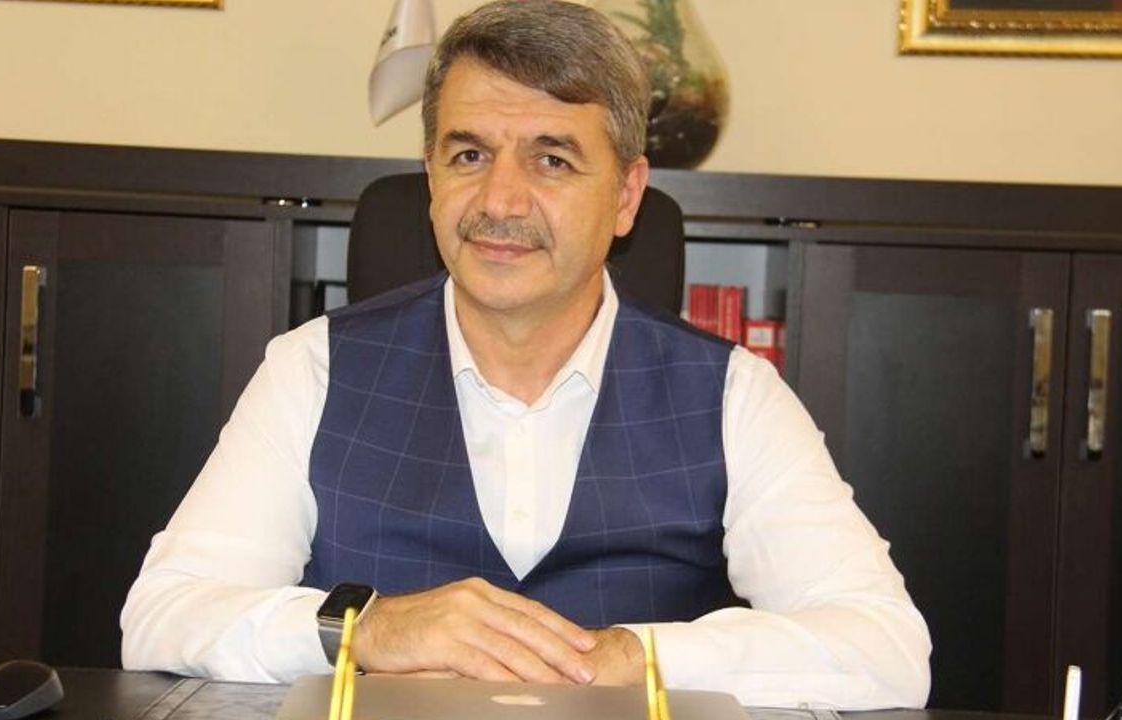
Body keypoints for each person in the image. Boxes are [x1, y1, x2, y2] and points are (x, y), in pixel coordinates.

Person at [121, 0, 930, 708]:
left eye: (552, 159)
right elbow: (162, 616)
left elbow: (886, 649)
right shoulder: (313, 369)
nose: (500, 200)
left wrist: (632, 656)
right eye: (469, 155)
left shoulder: (734, 395)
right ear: (431, 178)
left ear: (626, 195)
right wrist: (367, 629)